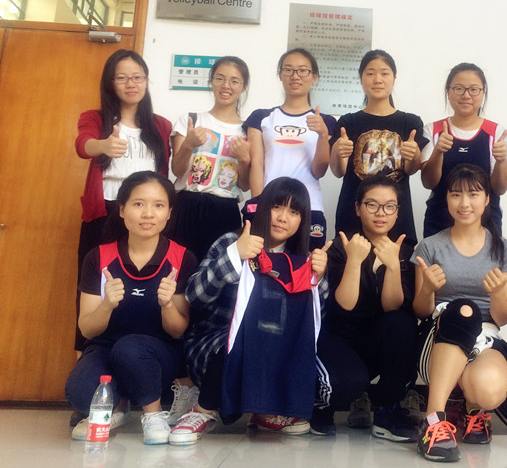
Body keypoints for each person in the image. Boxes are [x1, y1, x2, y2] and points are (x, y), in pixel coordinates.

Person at [169, 177, 330, 445]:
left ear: (303, 220)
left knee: (291, 348)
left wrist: (319, 279)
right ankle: (202, 410)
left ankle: (263, 411)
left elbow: (313, 323)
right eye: (277, 207)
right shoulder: (232, 241)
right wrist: (235, 255)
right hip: (217, 346)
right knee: (244, 339)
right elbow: (194, 296)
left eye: (294, 211)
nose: (283, 218)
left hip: (274, 346)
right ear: (263, 207)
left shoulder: (304, 258)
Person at [66, 171, 197, 445]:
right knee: (80, 393)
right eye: (138, 204)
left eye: (158, 205)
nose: (148, 213)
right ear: (122, 209)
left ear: (169, 213)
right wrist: (107, 305)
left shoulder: (182, 258)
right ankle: (118, 407)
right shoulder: (98, 257)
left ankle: (153, 414)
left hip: (159, 354)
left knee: (131, 349)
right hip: (106, 346)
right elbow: (87, 328)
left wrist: (167, 304)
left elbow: (178, 331)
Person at [412, 164, 507, 462]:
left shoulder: (505, 250)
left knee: (489, 390)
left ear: (487, 199)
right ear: (446, 199)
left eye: (473, 194)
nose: (464, 203)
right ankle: (433, 421)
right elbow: (421, 310)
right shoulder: (429, 247)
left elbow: (502, 319)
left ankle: (474, 409)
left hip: (484, 339)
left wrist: (498, 294)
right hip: (438, 339)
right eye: (456, 194)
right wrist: (427, 289)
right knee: (464, 310)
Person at [74, 50, 172, 357]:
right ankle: (85, 359)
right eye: (122, 78)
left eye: (137, 77)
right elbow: (83, 145)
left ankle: (139, 354)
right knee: (93, 287)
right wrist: (104, 145)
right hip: (104, 212)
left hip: (145, 217)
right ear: (110, 82)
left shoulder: (161, 125)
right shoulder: (95, 119)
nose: (131, 84)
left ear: (146, 81)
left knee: (142, 287)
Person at [311, 175, 418, 440]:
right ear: (358, 208)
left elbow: (392, 307)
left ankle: (386, 412)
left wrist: (393, 266)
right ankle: (320, 405)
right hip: (338, 338)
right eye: (372, 204)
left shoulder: (405, 251)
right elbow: (345, 306)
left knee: (402, 324)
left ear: (397, 212)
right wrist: (354, 261)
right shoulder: (342, 245)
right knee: (348, 384)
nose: (381, 213)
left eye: (389, 206)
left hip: (374, 341)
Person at [329, 49, 427, 247]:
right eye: (370, 73)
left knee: (396, 265)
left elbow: (411, 170)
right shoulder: (348, 122)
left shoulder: (410, 122)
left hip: (395, 214)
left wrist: (414, 155)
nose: (377, 79)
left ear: (394, 77)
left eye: (384, 73)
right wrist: (339, 152)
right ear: (361, 78)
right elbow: (338, 172)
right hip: (354, 213)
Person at [244, 49, 336, 250]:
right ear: (280, 75)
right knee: (260, 261)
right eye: (288, 70)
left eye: (303, 70)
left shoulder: (325, 121)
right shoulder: (261, 117)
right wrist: (259, 203)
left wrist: (322, 135)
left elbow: (319, 171)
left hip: (309, 205)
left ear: (314, 76)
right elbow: (257, 164)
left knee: (305, 264)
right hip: (270, 206)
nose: (295, 76)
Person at [171, 56, 251, 263]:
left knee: (217, 272)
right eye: (220, 78)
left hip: (225, 211)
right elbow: (177, 170)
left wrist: (244, 159)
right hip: (186, 205)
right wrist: (188, 144)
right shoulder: (190, 120)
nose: (226, 86)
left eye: (234, 81)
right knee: (180, 267)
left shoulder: (247, 131)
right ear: (211, 82)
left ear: (243, 86)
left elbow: (244, 185)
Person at [420, 62, 507, 238]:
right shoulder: (432, 130)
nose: (466, 95)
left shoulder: (496, 132)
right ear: (448, 92)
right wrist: (438, 152)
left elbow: (500, 188)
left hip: (485, 224)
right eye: (459, 88)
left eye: (474, 89)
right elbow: (428, 182)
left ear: (483, 93)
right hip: (440, 222)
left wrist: (501, 161)